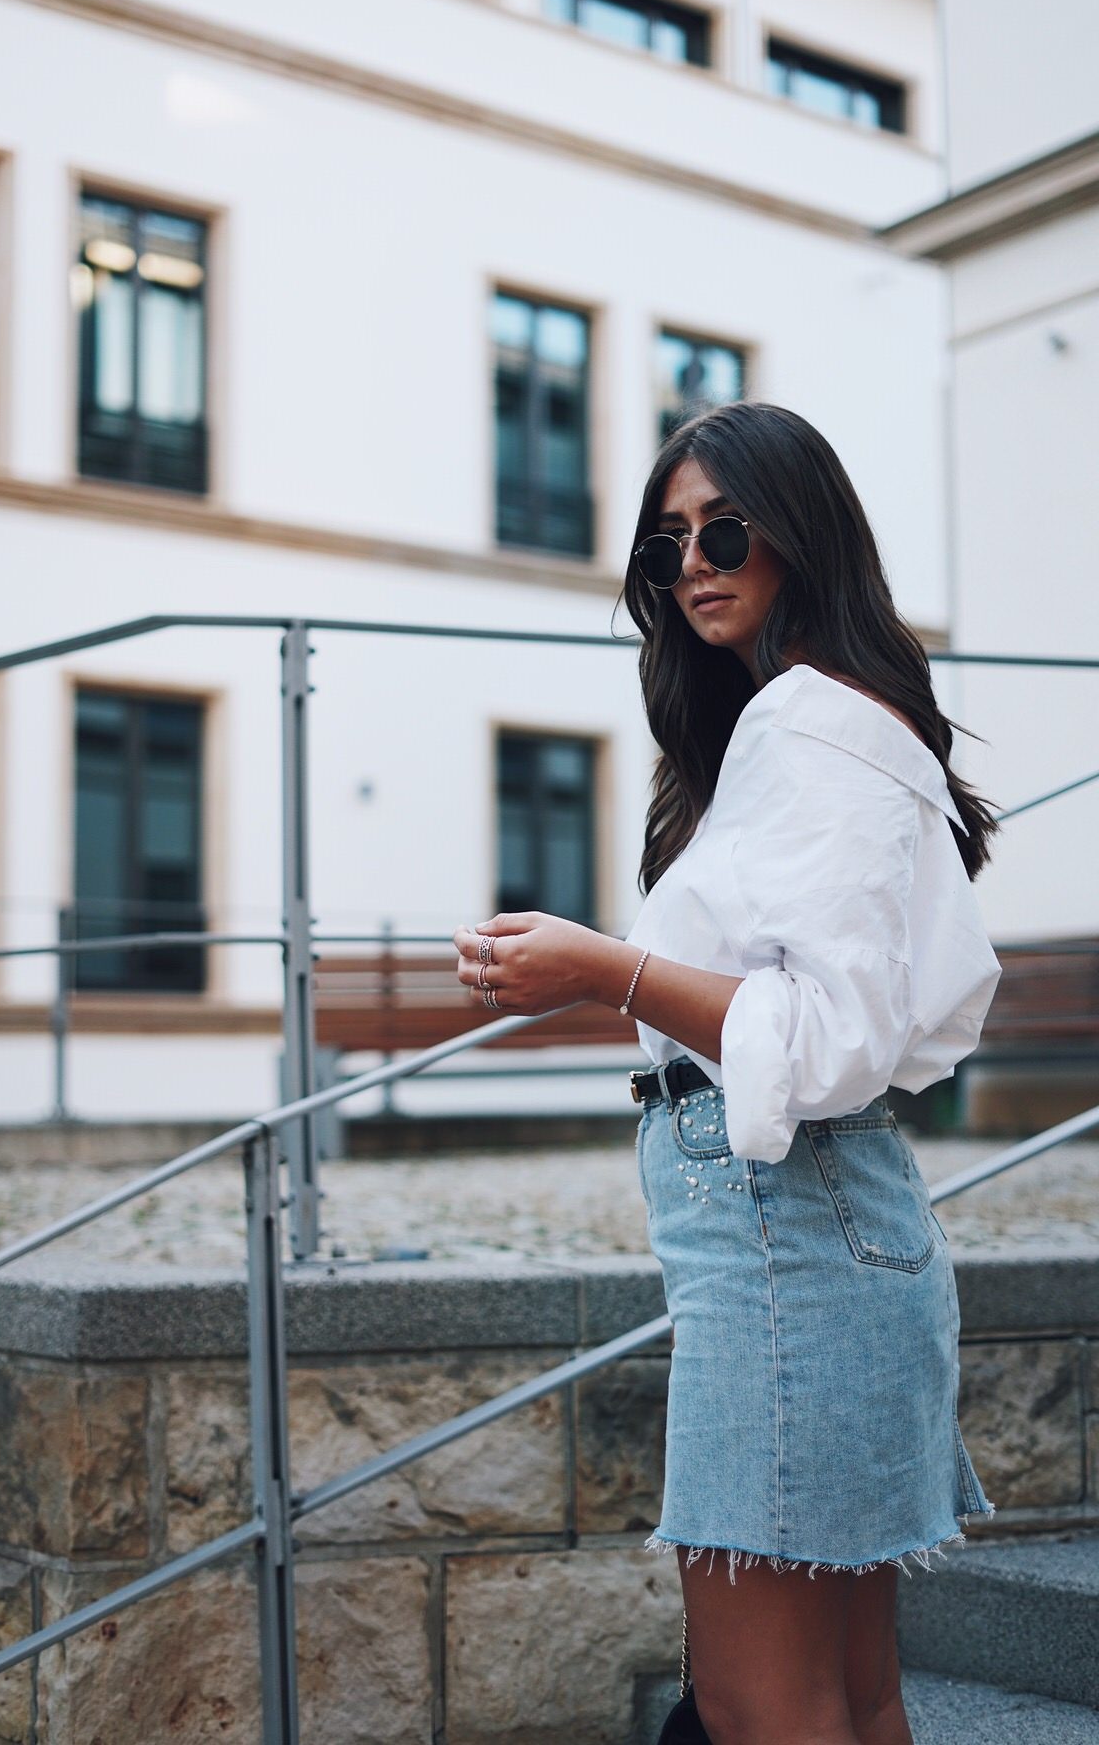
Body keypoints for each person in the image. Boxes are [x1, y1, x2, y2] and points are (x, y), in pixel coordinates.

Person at [452, 401, 1003, 1745]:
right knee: (849, 1696)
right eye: (665, 546)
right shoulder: (812, 728)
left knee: (762, 1705)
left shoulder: (812, 732)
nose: (694, 562)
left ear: (798, 536)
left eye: (725, 530)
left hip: (788, 1237)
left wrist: (603, 970)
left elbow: (823, 1032)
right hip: (826, 1223)